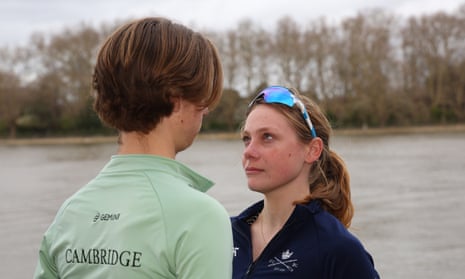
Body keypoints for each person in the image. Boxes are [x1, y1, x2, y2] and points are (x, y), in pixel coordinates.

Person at [33, 17, 233, 279]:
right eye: (203, 99)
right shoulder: (201, 217)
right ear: (175, 102)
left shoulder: (70, 212)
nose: (206, 110)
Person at [231, 85, 379, 278]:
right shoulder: (226, 235)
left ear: (312, 150)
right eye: (247, 139)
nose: (248, 152)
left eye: (267, 137)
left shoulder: (337, 249)